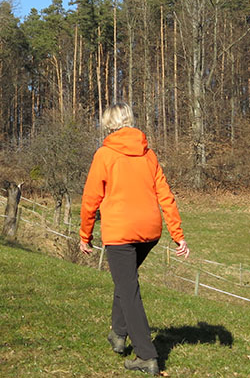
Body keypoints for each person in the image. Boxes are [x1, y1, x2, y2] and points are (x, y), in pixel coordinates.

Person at [78, 102, 189, 375]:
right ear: (129, 120)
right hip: (150, 231)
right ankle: (118, 335)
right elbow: (166, 195)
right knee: (125, 282)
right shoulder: (147, 154)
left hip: (120, 232)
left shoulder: (104, 154)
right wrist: (178, 235)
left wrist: (85, 235)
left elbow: (91, 198)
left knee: (129, 291)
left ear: (108, 123)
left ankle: (146, 356)